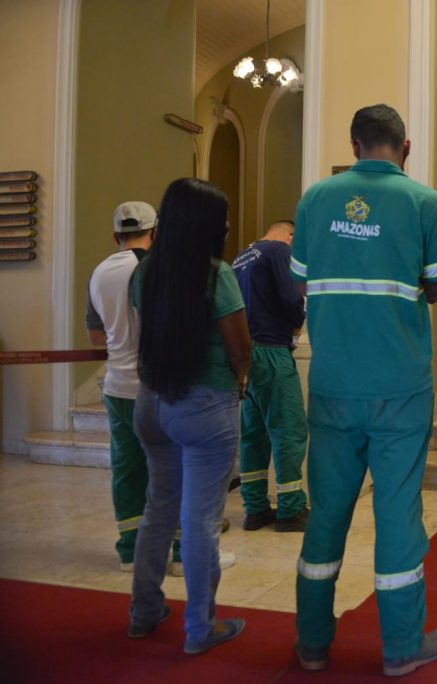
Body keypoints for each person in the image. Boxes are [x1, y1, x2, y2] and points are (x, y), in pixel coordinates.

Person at [290, 104, 437, 676]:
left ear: (354, 144)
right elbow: (435, 289)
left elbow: (300, 278)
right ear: (404, 147)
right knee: (398, 515)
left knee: (327, 515)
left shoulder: (315, 199)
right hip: (400, 387)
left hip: (333, 383)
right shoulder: (426, 203)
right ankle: (402, 646)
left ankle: (311, 642)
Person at [128, 178, 250, 655]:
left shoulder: (144, 273)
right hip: (204, 404)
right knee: (200, 519)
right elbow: (239, 345)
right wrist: (241, 377)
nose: (227, 223)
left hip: (152, 400)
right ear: (205, 224)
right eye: (222, 215)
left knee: (159, 508)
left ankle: (143, 611)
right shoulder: (214, 274)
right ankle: (201, 627)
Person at [85, 201, 181, 573]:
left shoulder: (97, 273)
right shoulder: (160, 268)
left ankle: (130, 552)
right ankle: (177, 554)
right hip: (157, 386)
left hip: (116, 386)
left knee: (127, 469)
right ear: (156, 233)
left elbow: (96, 337)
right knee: (172, 469)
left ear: (115, 236)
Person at [232, 219, 310, 533]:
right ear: (290, 236)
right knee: (288, 430)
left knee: (253, 435)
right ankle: (291, 509)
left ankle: (255, 509)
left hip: (246, 354)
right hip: (273, 351)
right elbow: (291, 298)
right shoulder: (278, 250)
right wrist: (298, 320)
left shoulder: (241, 256)